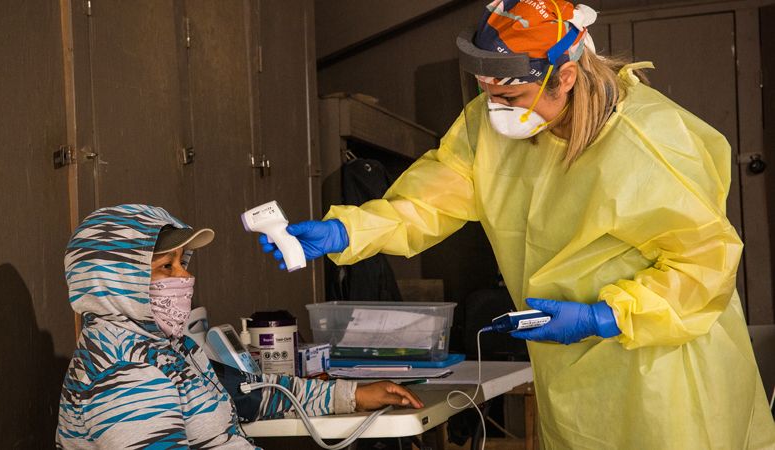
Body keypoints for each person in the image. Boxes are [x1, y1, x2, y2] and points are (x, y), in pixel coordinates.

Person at [260, 1, 775, 448]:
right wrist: (350, 232)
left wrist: (606, 317)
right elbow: (432, 198)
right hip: (571, 374)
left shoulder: (649, 144)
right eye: (487, 93)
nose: (495, 110)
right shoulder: (493, 126)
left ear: (565, 76)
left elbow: (706, 263)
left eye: (509, 97)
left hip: (662, 372)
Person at [56, 204, 422, 448]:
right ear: (112, 281)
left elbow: (251, 393)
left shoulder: (167, 349)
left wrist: (350, 396)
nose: (186, 276)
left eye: (183, 262)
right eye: (166, 267)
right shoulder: (124, 374)